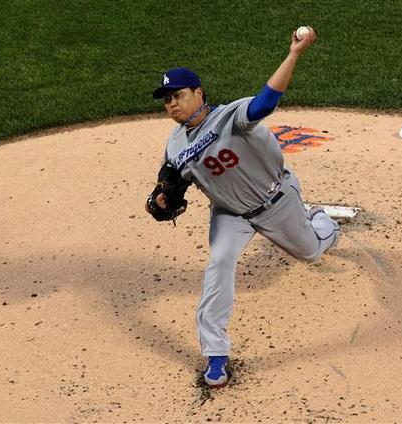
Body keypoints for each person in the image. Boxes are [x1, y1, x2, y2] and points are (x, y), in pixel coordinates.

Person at [150, 27, 340, 388]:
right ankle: (216, 353)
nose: (172, 104)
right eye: (166, 99)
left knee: (312, 252)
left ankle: (322, 221)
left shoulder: (231, 116)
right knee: (219, 261)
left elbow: (266, 102)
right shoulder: (174, 144)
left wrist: (295, 54)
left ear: (198, 93)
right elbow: (173, 184)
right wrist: (162, 200)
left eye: (178, 95)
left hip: (276, 201)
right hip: (230, 214)